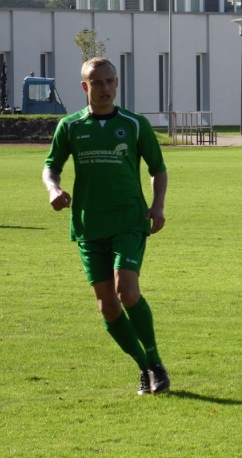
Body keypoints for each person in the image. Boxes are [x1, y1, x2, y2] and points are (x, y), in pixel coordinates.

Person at [42, 57, 170, 395]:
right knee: (107, 306)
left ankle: (156, 362)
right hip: (89, 225)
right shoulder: (70, 126)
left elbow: (158, 169)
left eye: (110, 81)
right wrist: (53, 189)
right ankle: (143, 367)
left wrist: (157, 205)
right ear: (85, 86)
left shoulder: (134, 124)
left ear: (117, 83)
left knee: (126, 291)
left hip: (129, 220)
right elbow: (51, 166)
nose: (105, 88)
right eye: (97, 83)